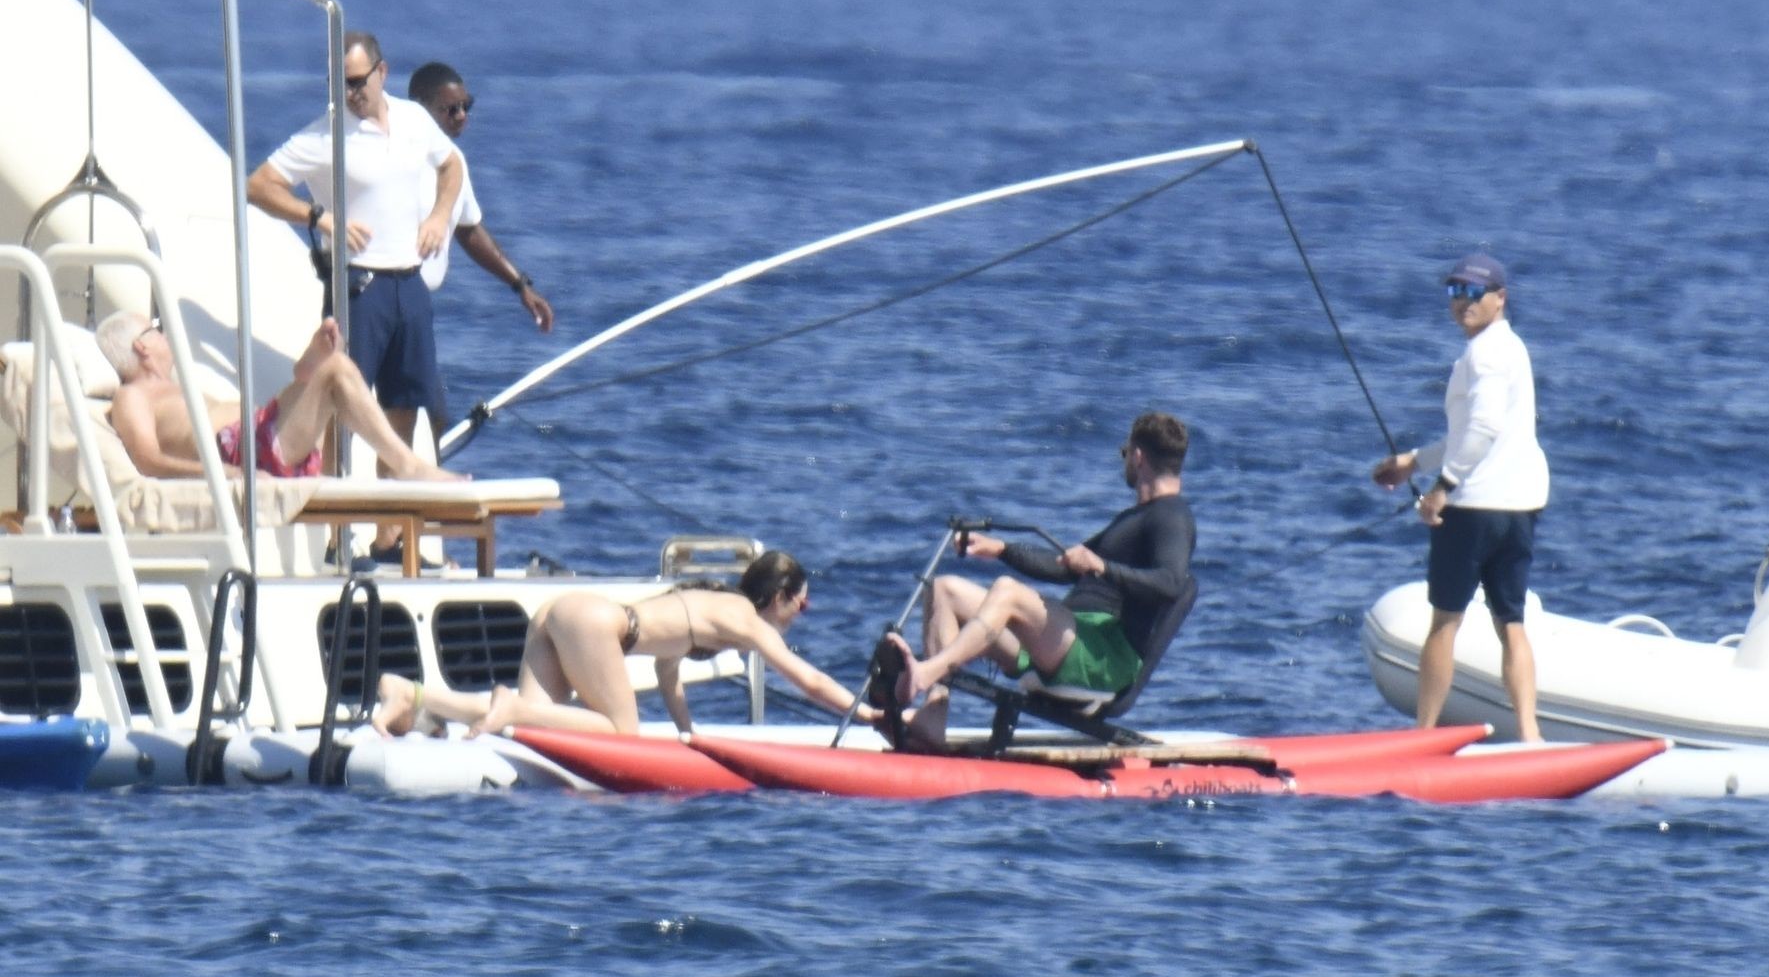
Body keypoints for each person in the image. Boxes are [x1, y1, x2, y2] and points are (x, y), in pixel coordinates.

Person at [888, 411, 1196, 747]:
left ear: (1137, 456)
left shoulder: (1172, 516)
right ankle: (933, 716)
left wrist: (1103, 567)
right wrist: (1001, 549)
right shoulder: (1132, 518)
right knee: (944, 590)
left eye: (1125, 454)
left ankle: (928, 671)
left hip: (1102, 658)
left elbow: (1170, 583)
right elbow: (1064, 566)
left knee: (1007, 591)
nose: (1124, 462)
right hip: (1065, 643)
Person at [245, 29, 463, 471]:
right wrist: (319, 217)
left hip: (409, 280)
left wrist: (439, 217)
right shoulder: (325, 136)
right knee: (342, 401)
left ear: (382, 72)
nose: (349, 94)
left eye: (356, 82)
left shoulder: (414, 120)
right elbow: (258, 185)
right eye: (338, 84)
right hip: (359, 285)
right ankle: (335, 505)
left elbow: (451, 164)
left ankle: (392, 511)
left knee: (404, 406)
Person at [370, 550, 880, 738]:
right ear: (781, 597)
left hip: (563, 612)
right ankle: (510, 706)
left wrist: (688, 735)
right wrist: (864, 713)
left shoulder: (714, 602)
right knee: (622, 732)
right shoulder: (748, 621)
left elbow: (666, 673)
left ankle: (410, 694)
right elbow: (809, 679)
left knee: (535, 729)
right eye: (802, 606)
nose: (798, 617)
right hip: (593, 624)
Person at [1370, 252, 1550, 742]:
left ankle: (1424, 734)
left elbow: (1483, 428)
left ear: (1500, 298)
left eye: (1474, 292)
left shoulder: (1482, 355)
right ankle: (1530, 735)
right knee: (1511, 622)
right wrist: (1415, 461)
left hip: (1474, 509)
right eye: (1455, 291)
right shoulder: (1512, 348)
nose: (1462, 302)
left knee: (1445, 622)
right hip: (1520, 505)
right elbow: (1473, 433)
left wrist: (1442, 488)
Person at [96, 311, 462, 483]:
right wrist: (225, 473)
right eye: (155, 329)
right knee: (337, 370)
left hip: (257, 439)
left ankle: (311, 365)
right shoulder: (132, 396)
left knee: (330, 369)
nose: (163, 335)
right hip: (240, 453)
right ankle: (406, 466)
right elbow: (148, 460)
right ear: (142, 346)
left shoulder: (176, 387)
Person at [406, 61, 555, 436]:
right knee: (419, 407)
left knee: (432, 413)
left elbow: (468, 230)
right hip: (386, 292)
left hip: (416, 303)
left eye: (466, 106)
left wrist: (520, 286)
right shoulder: (397, 155)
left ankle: (414, 470)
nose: (461, 116)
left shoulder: (452, 162)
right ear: (420, 107)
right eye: (450, 109)